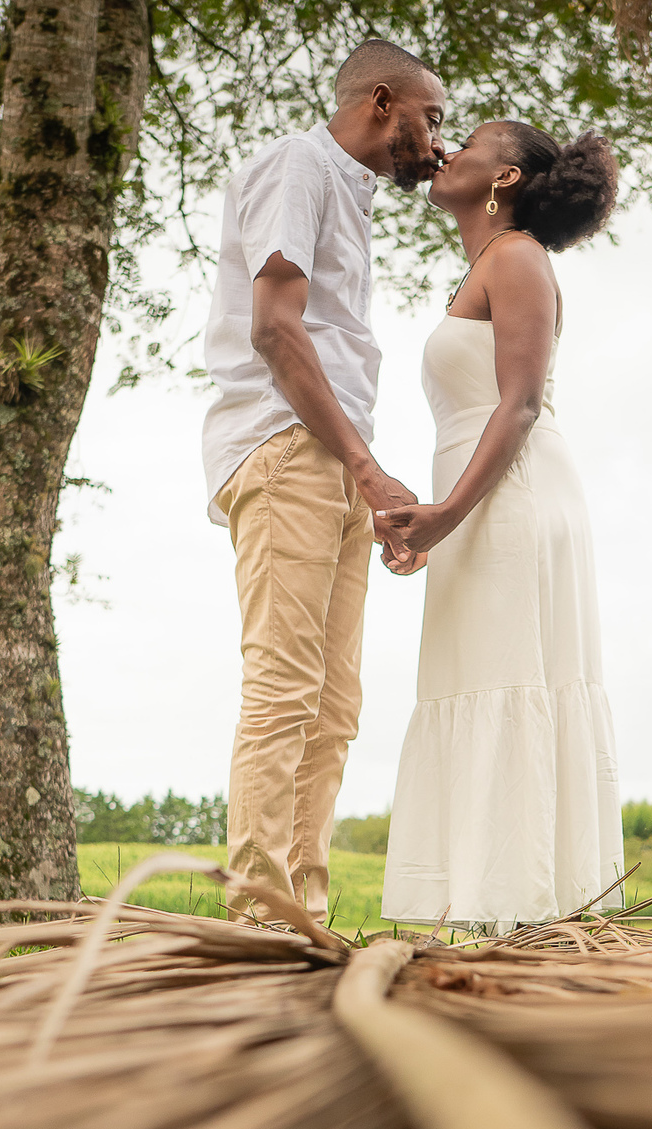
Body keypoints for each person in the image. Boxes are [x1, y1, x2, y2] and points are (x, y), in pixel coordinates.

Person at [203, 41, 446, 922]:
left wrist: (363, 479)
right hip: (286, 449)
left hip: (335, 457)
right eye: (432, 118)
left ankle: (303, 912)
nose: (438, 142)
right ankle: (259, 915)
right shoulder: (298, 167)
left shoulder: (352, 192)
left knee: (335, 706)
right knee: (283, 688)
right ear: (384, 101)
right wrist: (365, 468)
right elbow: (275, 329)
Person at [378, 121, 624, 931]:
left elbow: (519, 403)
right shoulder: (484, 266)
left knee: (512, 679)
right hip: (475, 501)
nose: (447, 150)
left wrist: (447, 513)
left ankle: (525, 915)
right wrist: (432, 522)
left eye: (470, 140)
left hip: (512, 498)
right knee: (476, 678)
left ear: (506, 176)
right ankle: (485, 909)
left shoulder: (517, 257)